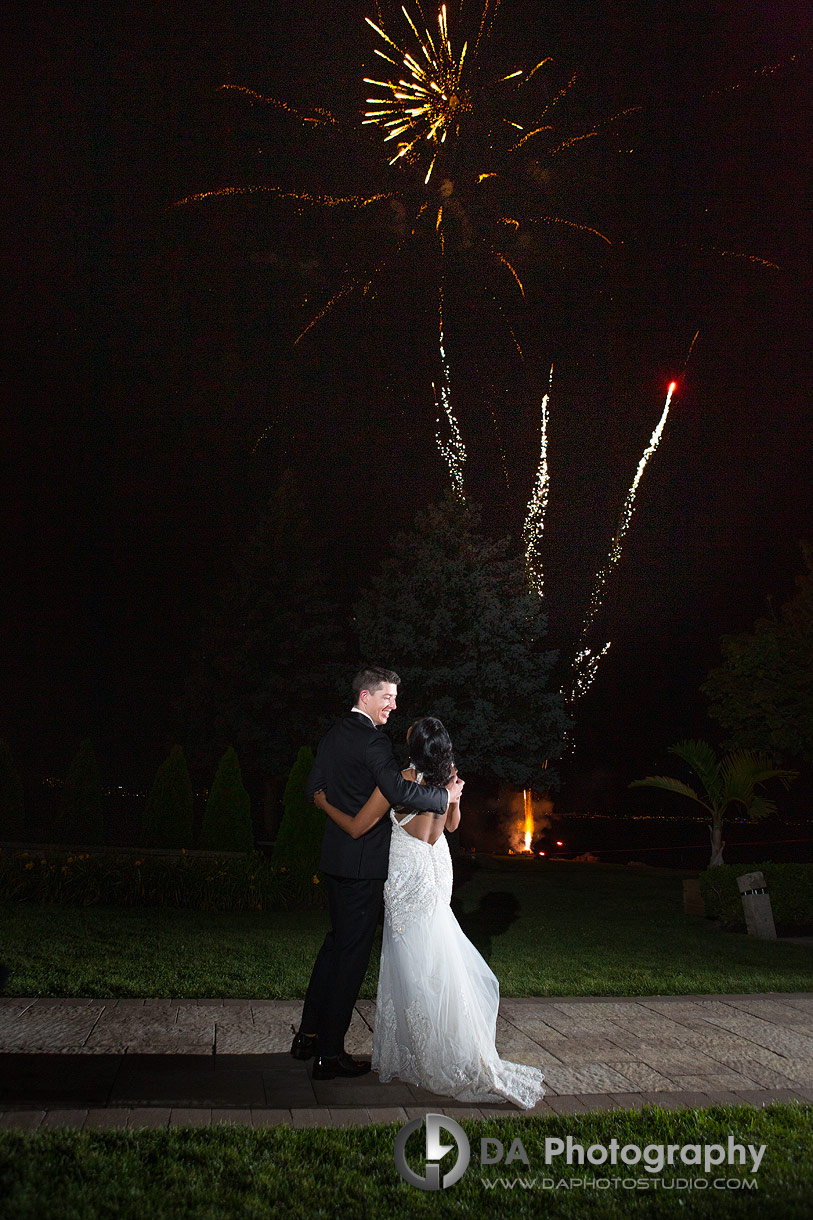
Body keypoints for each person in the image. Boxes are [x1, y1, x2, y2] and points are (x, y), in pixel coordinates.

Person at [314, 716, 545, 1109]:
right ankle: (434, 1042)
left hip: (408, 869)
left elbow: (399, 827)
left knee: (410, 955)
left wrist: (323, 801)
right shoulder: (448, 777)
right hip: (435, 864)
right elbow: (449, 829)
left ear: (413, 748)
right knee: (434, 947)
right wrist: (452, 799)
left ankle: (423, 1049)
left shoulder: (399, 777)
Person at [292, 666, 463, 1080]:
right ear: (365, 696)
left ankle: (308, 1037)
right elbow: (398, 790)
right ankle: (329, 1056)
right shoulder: (372, 740)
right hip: (363, 867)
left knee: (333, 948)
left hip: (335, 862)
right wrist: (444, 795)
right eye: (387, 697)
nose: (393, 705)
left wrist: (324, 805)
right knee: (349, 960)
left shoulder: (333, 735)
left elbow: (314, 787)